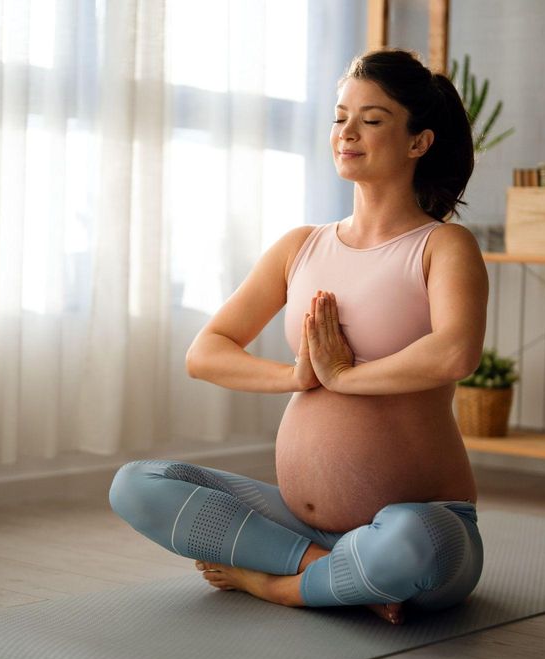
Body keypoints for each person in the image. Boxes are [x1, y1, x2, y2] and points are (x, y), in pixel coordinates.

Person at [109, 48, 488, 625]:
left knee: (411, 544)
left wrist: (344, 377)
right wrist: (296, 376)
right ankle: (327, 568)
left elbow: (455, 352)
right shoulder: (301, 246)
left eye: (373, 119)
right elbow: (206, 351)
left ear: (418, 142)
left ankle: (276, 585)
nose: (347, 132)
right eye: (340, 117)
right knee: (137, 485)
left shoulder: (442, 246)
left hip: (423, 522)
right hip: (295, 518)